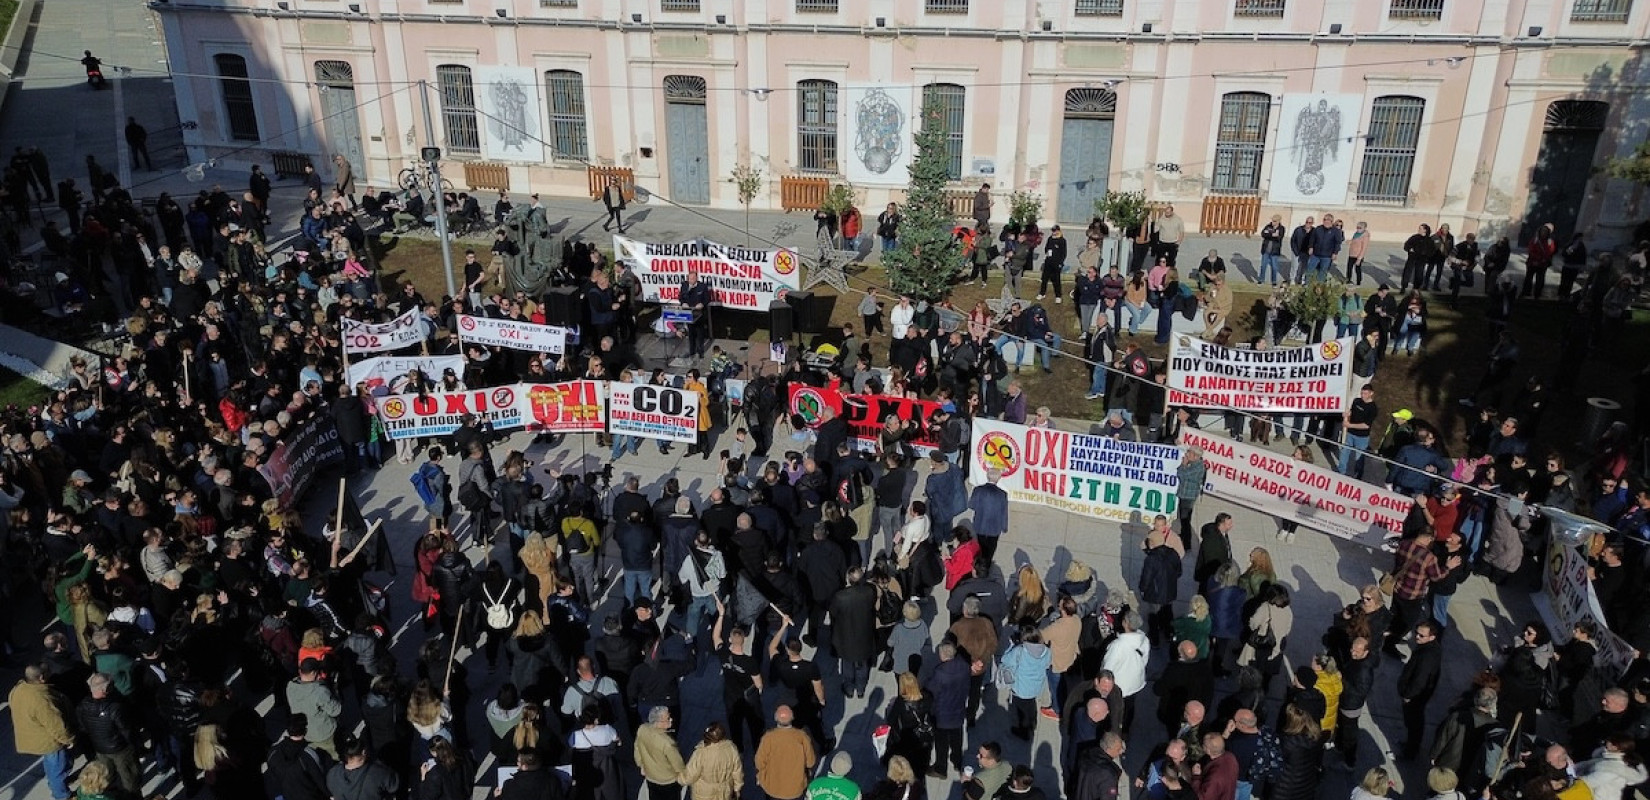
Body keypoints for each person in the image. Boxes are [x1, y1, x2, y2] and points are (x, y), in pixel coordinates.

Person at [12, 664, 75, 800]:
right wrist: (68, 739)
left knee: (51, 765)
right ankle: (62, 795)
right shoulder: (41, 699)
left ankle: (55, 785)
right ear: (41, 678)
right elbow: (55, 724)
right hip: (49, 741)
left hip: (34, 737)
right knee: (58, 769)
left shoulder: (19, 689)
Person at [756, 705, 817, 800]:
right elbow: (810, 762)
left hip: (772, 789)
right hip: (796, 790)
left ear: (776, 718)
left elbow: (759, 763)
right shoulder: (802, 737)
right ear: (792, 718)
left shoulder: (768, 738)